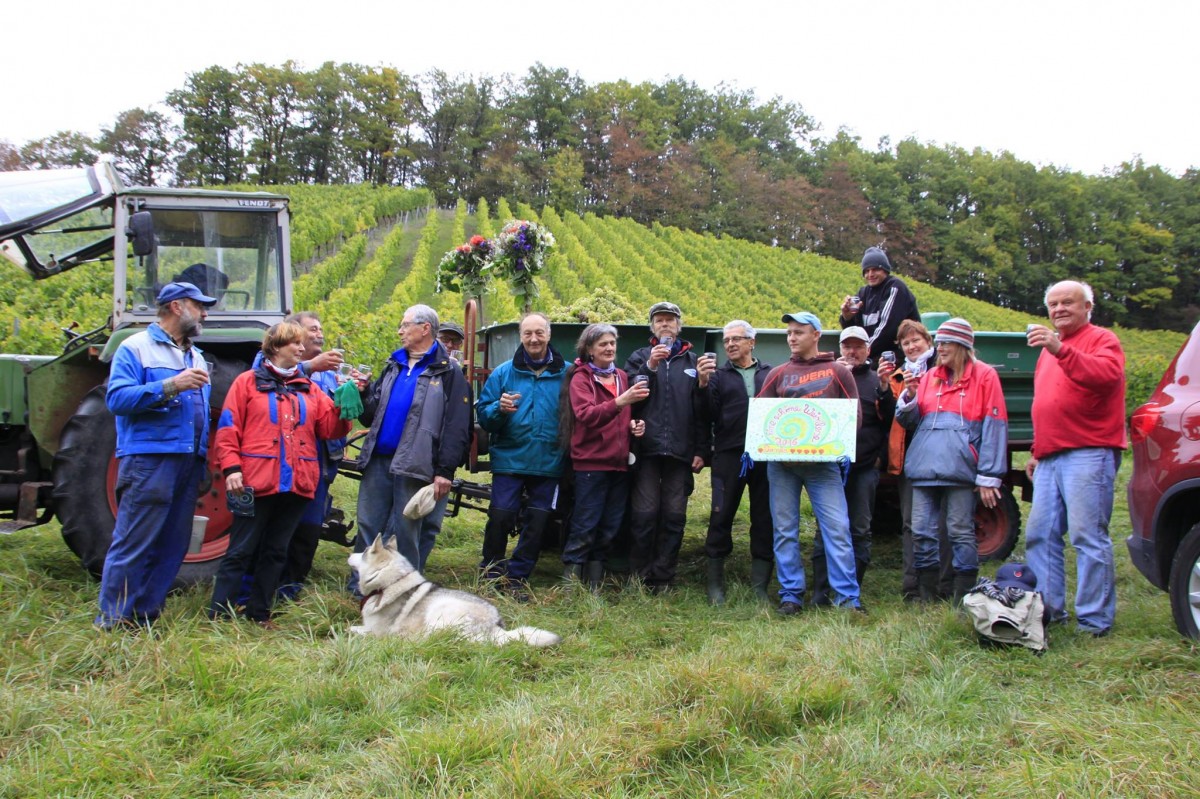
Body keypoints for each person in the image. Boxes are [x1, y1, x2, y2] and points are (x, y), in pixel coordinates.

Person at [209, 322, 352, 626]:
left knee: (276, 551)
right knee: (240, 550)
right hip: (254, 482)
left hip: (297, 484)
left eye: (302, 343)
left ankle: (259, 613)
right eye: (294, 344)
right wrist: (232, 468)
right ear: (275, 347)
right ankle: (219, 615)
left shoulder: (309, 388)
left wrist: (344, 407)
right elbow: (228, 429)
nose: (301, 348)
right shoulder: (247, 383)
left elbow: (329, 429)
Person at [95, 282, 216, 630]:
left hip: (188, 463)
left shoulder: (195, 355)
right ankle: (113, 620)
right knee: (135, 540)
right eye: (199, 306)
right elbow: (117, 400)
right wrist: (171, 385)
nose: (205, 314)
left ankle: (144, 616)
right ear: (177, 307)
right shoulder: (136, 347)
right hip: (150, 460)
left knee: (173, 544)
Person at [1024, 280, 1126, 636]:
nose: (1059, 309)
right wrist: (1037, 450)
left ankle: (1094, 621)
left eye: (1068, 302)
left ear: (1087, 307)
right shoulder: (1048, 352)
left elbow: (1107, 377)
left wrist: (1059, 349)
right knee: (1040, 535)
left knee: (1087, 536)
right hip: (1051, 456)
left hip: (1089, 451)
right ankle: (1050, 611)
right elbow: (1047, 403)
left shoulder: (1102, 340)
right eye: (1053, 304)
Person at [350, 304, 472, 588]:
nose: (400, 331)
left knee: (406, 532)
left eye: (405, 325)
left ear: (425, 328)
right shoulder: (394, 365)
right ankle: (362, 587)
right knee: (368, 524)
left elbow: (457, 426)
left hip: (416, 463)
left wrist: (445, 471)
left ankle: (401, 590)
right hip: (379, 459)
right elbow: (370, 415)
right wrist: (364, 392)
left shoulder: (448, 372)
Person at [896, 318, 1008, 604]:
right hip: (923, 468)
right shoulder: (930, 376)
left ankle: (962, 596)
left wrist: (989, 475)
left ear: (962, 345)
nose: (941, 348)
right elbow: (911, 422)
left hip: (960, 468)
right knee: (921, 531)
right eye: (940, 342)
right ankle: (927, 594)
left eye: (946, 343)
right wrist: (909, 397)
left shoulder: (985, 376)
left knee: (959, 531)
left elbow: (995, 426)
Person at [758, 312, 862, 614]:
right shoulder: (777, 374)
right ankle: (791, 595)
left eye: (799, 332)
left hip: (823, 467)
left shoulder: (838, 372)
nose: (792, 337)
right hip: (782, 467)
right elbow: (762, 419)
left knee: (837, 529)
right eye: (789, 333)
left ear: (816, 335)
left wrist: (830, 441)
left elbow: (854, 417)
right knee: (784, 530)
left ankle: (847, 599)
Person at [476, 313, 568, 596]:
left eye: (539, 332)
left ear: (549, 335)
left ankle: (517, 577)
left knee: (538, 522)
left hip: (549, 460)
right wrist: (498, 409)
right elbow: (484, 416)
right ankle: (491, 573)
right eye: (528, 333)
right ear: (521, 336)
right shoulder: (503, 373)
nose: (534, 339)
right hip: (510, 458)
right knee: (501, 515)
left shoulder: (568, 373)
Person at [624, 301, 713, 592]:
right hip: (647, 449)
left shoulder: (693, 361)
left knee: (674, 515)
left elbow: (703, 411)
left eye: (670, 320)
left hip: (680, 450)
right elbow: (631, 396)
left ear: (679, 326)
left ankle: (663, 576)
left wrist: (701, 449)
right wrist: (650, 366)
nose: (665, 324)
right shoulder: (639, 357)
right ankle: (639, 575)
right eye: (659, 320)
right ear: (652, 327)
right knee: (644, 513)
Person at [559, 324, 649, 591]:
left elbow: (621, 416)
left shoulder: (620, 376)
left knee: (610, 526)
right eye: (602, 344)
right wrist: (622, 401)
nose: (609, 348)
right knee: (585, 524)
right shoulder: (581, 378)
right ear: (589, 349)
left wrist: (633, 426)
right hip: (591, 463)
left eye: (612, 343)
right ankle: (570, 586)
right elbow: (586, 415)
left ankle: (594, 585)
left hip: (619, 463)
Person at [810, 326, 895, 605]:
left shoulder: (876, 380)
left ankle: (850, 591)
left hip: (863, 467)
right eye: (847, 346)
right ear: (840, 348)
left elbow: (891, 423)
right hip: (829, 467)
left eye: (858, 347)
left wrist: (881, 456)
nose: (852, 352)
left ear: (868, 350)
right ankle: (821, 592)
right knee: (825, 528)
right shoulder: (826, 375)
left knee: (859, 529)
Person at [701, 320, 774, 604]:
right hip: (729, 454)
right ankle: (715, 584)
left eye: (736, 339)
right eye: (726, 340)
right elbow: (707, 413)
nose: (730, 344)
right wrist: (703, 384)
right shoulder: (717, 376)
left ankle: (760, 586)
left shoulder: (770, 373)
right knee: (721, 515)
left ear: (751, 342)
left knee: (764, 517)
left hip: (765, 455)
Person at [276, 311, 346, 598]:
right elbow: (271, 382)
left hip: (322, 458)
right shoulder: (275, 364)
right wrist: (309, 367)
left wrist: (353, 391)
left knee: (310, 526)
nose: (320, 334)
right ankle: (266, 587)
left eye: (320, 329)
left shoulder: (328, 373)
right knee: (283, 524)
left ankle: (291, 588)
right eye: (313, 329)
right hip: (289, 457)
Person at [885, 319, 952, 601]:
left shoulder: (945, 369)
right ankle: (913, 585)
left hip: (944, 454)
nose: (912, 346)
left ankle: (946, 584)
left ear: (928, 341)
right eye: (906, 343)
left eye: (916, 341)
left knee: (945, 522)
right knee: (912, 522)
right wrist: (883, 387)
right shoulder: (898, 375)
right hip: (910, 456)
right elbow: (890, 416)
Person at [839, 246, 921, 363]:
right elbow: (854, 332)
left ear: (885, 271)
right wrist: (847, 318)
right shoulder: (863, 293)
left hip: (896, 355)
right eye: (867, 271)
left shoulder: (895, 288)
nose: (870, 274)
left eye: (875, 269)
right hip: (870, 354)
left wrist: (863, 355)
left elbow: (886, 330)